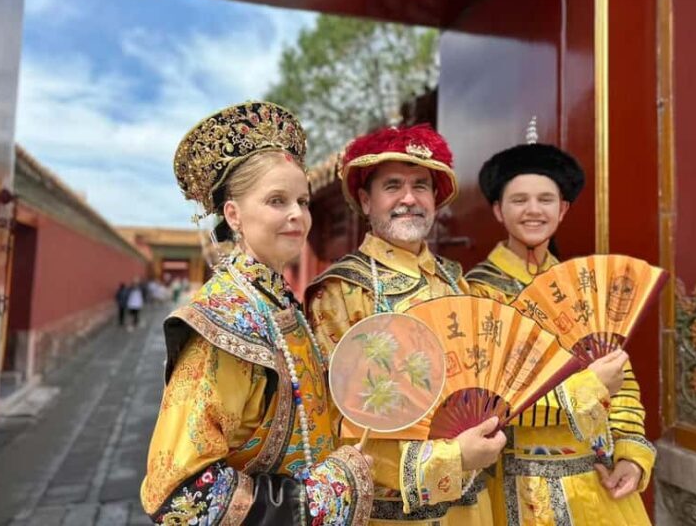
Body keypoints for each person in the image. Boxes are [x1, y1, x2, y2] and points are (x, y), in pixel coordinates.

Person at [140, 101, 373, 525]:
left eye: (303, 201)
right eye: (276, 200)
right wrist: (331, 490)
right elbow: (179, 495)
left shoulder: (280, 302)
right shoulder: (225, 322)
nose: (297, 215)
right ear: (234, 215)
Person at [306, 124, 506, 526]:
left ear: (435, 199)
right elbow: (336, 422)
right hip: (392, 511)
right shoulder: (341, 292)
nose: (409, 198)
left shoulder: (457, 281)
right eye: (393, 186)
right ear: (366, 200)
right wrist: (450, 457)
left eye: (421, 186)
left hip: (473, 503)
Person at [466, 139, 655, 525]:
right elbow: (487, 400)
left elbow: (621, 381)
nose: (533, 210)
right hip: (518, 480)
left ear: (563, 209)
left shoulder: (585, 288)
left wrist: (630, 455)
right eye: (519, 200)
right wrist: (589, 387)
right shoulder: (478, 293)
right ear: (499, 210)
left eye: (546, 200)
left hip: (597, 477)